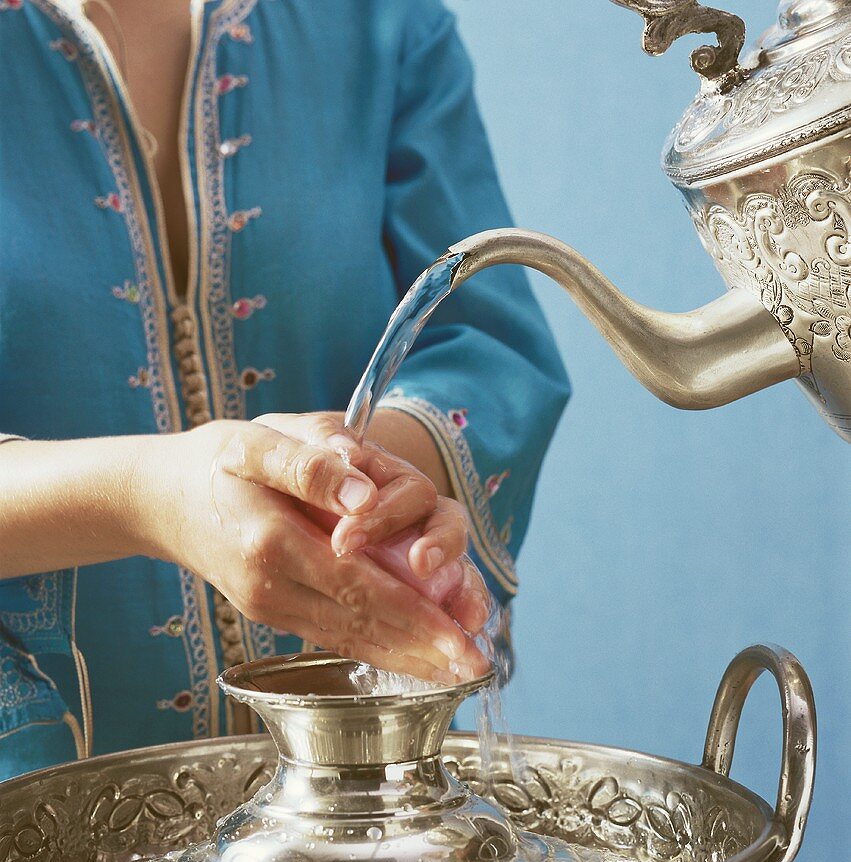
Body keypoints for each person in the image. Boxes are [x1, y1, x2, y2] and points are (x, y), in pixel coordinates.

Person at [0, 0, 569, 780]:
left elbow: (489, 345)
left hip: (355, 799)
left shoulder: (380, 23)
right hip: (30, 814)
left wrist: (356, 483)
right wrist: (151, 494)